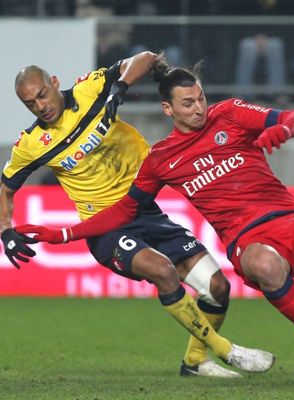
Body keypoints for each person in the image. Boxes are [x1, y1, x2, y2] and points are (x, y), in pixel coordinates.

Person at [16, 54, 294, 383]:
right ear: (168, 110)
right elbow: (126, 209)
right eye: (188, 103)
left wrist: (284, 130)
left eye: (200, 97)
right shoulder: (162, 159)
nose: (199, 108)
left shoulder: (230, 113)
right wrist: (65, 232)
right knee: (252, 265)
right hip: (247, 238)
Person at [1, 52, 273, 377]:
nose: (40, 105)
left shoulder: (91, 90)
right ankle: (225, 349)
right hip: (106, 227)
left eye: (42, 94)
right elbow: (5, 188)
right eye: (30, 103)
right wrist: (6, 229)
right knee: (163, 270)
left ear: (55, 83)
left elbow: (145, 58)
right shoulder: (32, 144)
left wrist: (120, 86)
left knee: (217, 287)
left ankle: (195, 362)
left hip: (144, 208)